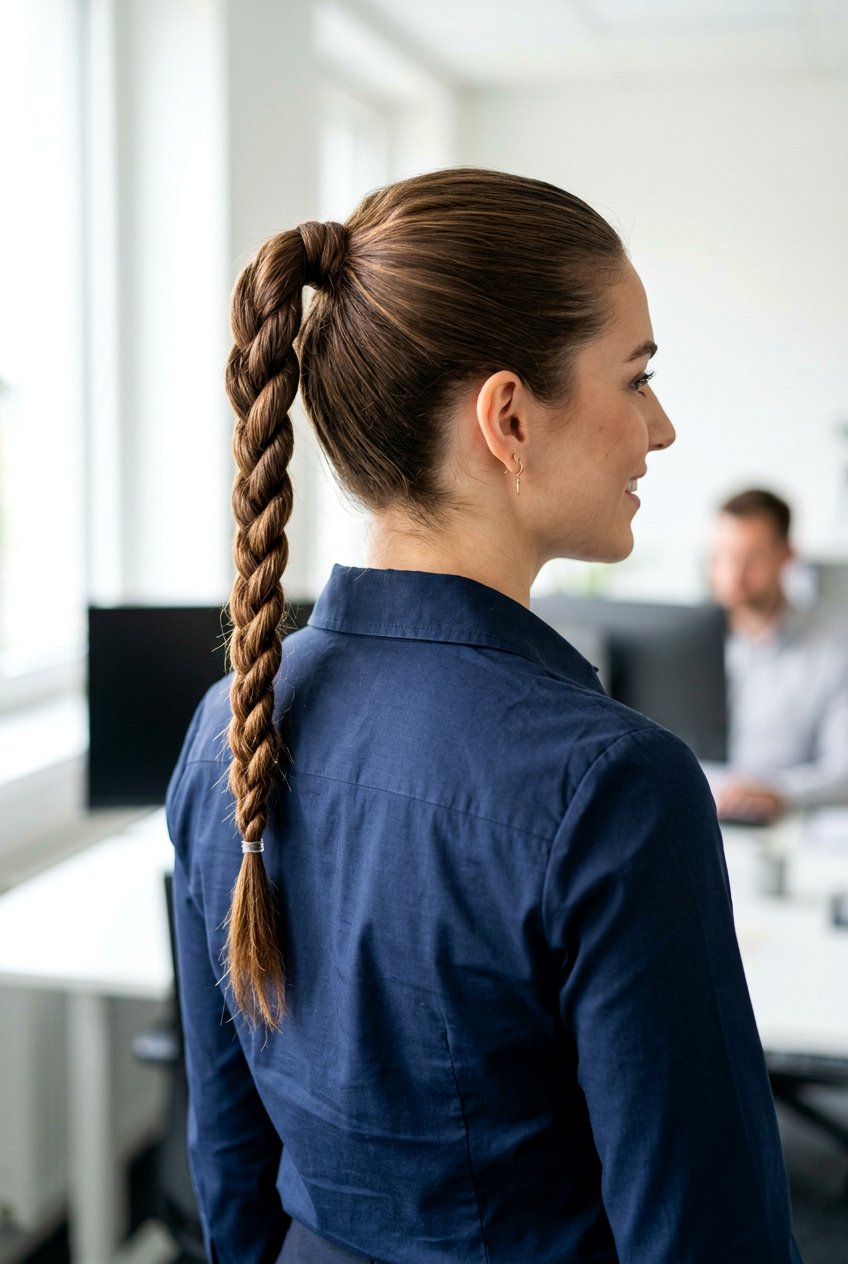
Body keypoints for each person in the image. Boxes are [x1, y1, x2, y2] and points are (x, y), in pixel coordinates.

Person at [166, 169, 802, 1263]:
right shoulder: (611, 783)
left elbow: (228, 1161)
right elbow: (704, 1232)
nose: (660, 427)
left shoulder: (229, 720)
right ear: (506, 417)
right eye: (636, 377)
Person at [708, 487, 848, 823]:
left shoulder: (834, 646)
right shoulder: (689, 640)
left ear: (786, 555)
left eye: (751, 559)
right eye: (723, 556)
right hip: (696, 811)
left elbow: (843, 772)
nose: (734, 576)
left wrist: (776, 793)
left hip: (784, 828)